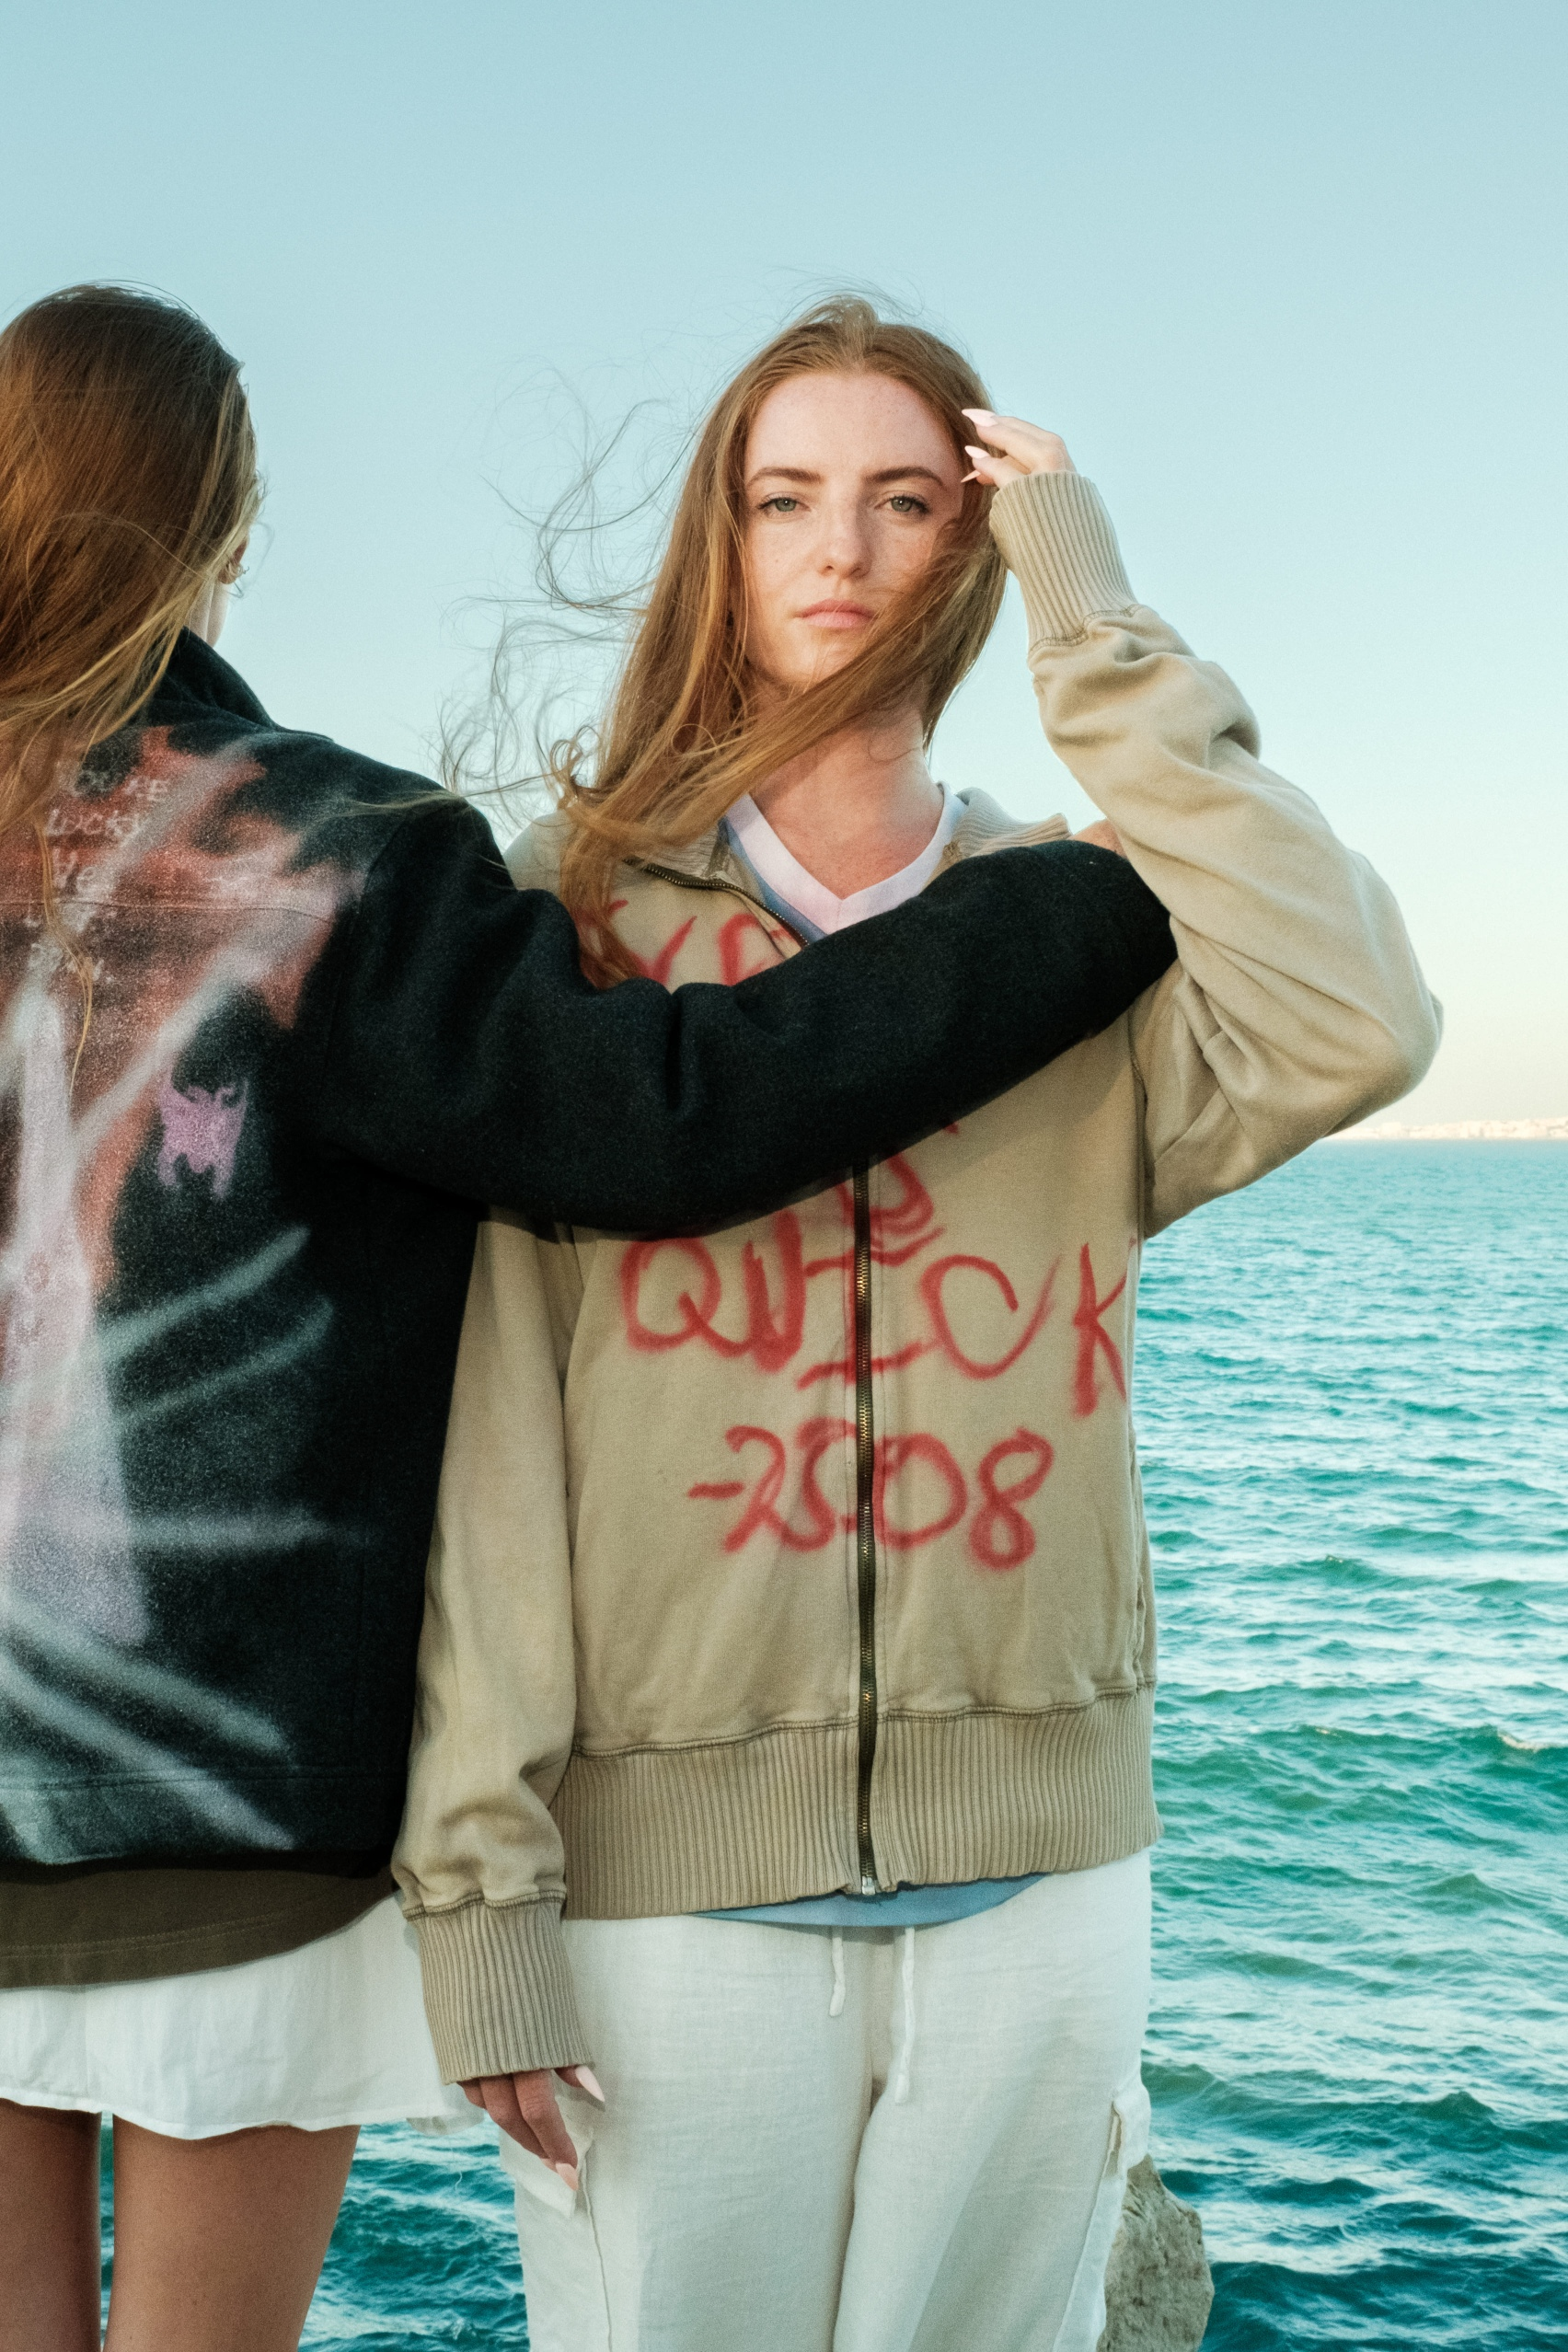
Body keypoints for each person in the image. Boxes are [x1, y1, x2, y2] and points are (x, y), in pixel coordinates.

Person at [0, 286, 1178, 2352]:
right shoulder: (326, 853)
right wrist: (1062, 912)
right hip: (218, 1797)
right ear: (225, 526)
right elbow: (655, 1122)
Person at [398, 298, 1440, 2352]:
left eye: (904, 502)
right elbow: (489, 1453)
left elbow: (1360, 1015)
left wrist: (1098, 620)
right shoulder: (576, 926)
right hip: (663, 1898)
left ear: (970, 557)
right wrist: (484, 1904)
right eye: (786, 498)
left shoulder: (1093, 923)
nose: (842, 551)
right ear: (722, 541)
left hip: (1042, 1881)